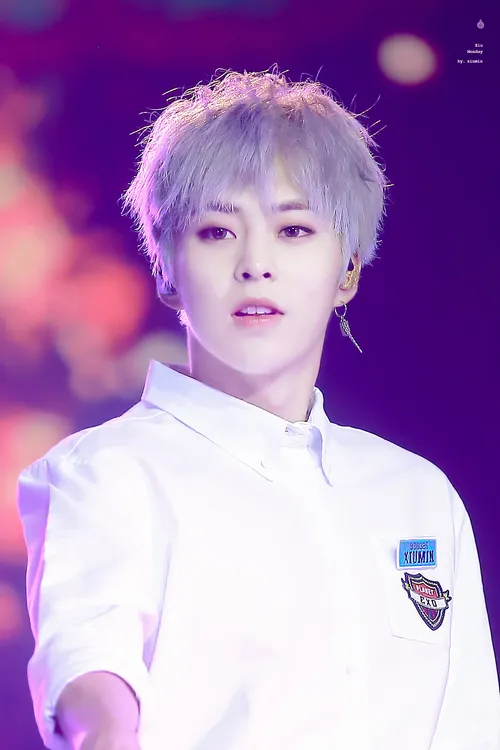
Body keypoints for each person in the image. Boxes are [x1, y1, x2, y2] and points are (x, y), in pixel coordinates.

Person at [17, 68, 499, 750]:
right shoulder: (106, 473)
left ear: (349, 268)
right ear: (165, 269)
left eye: (294, 230)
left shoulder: (418, 494)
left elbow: (467, 721)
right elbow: (88, 665)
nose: (255, 264)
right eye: (217, 232)